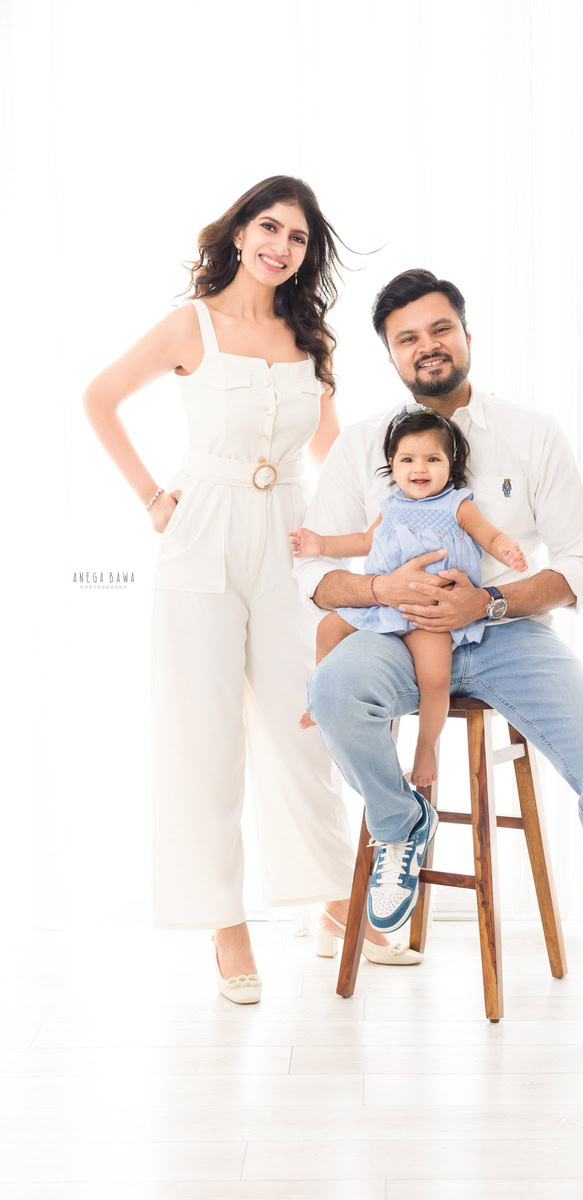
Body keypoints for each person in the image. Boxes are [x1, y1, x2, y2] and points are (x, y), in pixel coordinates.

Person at [293, 268, 583, 1075]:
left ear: (467, 335)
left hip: (507, 634)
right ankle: (401, 822)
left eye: (439, 328)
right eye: (407, 338)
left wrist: (485, 604)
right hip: (397, 629)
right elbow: (315, 577)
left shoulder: (530, 433)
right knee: (333, 688)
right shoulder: (362, 446)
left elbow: (582, 563)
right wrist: (385, 588)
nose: (427, 346)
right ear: (391, 354)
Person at [82, 177, 422, 1008]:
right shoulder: (190, 324)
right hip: (202, 538)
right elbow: (99, 398)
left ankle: (335, 905)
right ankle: (225, 927)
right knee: (204, 734)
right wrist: (154, 499)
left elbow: (335, 458)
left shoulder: (313, 339)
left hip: (290, 540)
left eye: (298, 237)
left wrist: (366, 537)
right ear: (239, 231)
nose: (281, 245)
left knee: (303, 722)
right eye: (269, 226)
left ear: (308, 254)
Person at [290, 404, 528, 789]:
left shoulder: (457, 506)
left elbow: (489, 536)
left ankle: (426, 746)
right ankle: (321, 698)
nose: (420, 469)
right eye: (408, 459)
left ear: (451, 461)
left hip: (429, 614)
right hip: (384, 605)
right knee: (328, 629)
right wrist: (321, 542)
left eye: (432, 459)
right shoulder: (391, 506)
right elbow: (363, 541)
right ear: (392, 463)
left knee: (435, 679)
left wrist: (508, 551)